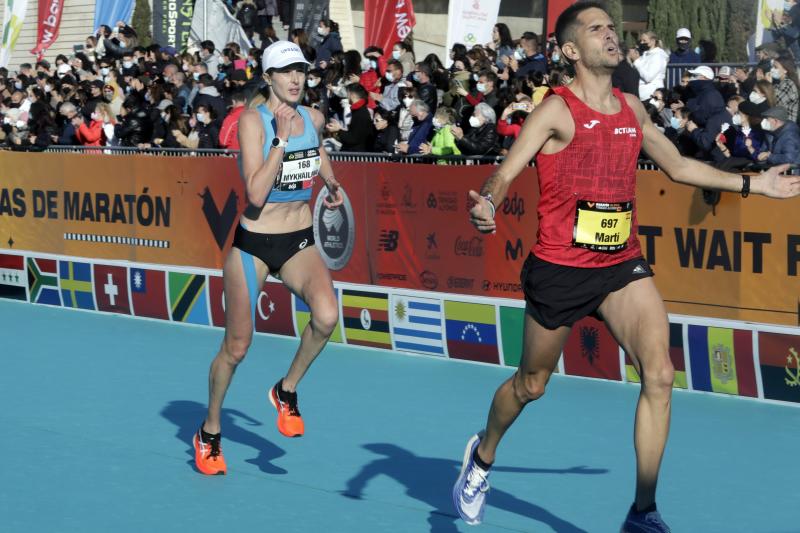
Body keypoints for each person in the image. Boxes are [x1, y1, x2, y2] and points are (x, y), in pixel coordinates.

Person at [452, 3, 800, 532]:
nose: (611, 36)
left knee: (660, 374)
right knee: (530, 385)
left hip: (621, 266)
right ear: (571, 50)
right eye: (597, 30)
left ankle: (643, 512)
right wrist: (488, 202)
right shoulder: (555, 110)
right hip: (561, 270)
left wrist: (759, 185)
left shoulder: (633, 109)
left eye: (613, 28)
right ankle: (482, 456)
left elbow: (680, 166)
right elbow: (506, 171)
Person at [193, 41, 344, 476]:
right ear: (269, 77)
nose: (296, 78)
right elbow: (255, 194)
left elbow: (318, 152)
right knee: (237, 348)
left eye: (301, 70)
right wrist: (279, 138)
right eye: (286, 71)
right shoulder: (252, 124)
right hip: (253, 245)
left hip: (298, 239)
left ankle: (286, 390)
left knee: (327, 316)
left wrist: (331, 184)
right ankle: (210, 431)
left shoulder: (313, 118)